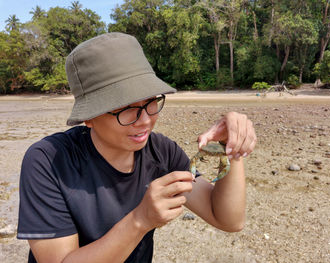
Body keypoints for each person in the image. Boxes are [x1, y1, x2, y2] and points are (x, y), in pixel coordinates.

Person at [17, 32, 257, 263]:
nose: (144, 120)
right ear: (88, 117)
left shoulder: (161, 153)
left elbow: (228, 219)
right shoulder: (49, 161)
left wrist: (232, 150)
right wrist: (140, 220)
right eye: (125, 108)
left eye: (151, 101)